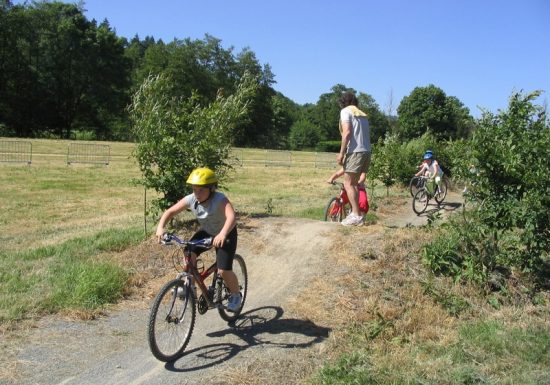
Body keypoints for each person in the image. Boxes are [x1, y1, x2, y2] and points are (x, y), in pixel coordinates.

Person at [155, 167, 242, 312]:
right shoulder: (191, 199)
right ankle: (191, 288)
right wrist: (160, 228)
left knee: (223, 271)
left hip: (226, 233)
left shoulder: (219, 199)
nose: (197, 193)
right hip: (207, 232)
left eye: (201, 190)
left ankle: (235, 295)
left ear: (211, 188)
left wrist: (222, 234)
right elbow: (170, 212)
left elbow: (232, 217)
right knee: (188, 252)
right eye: (195, 189)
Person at [336, 92, 372, 226]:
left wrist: (341, 153)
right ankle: (356, 214)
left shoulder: (345, 111)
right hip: (366, 151)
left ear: (343, 102)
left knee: (348, 184)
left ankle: (356, 216)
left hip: (355, 152)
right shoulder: (362, 114)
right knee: (354, 184)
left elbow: (347, 133)